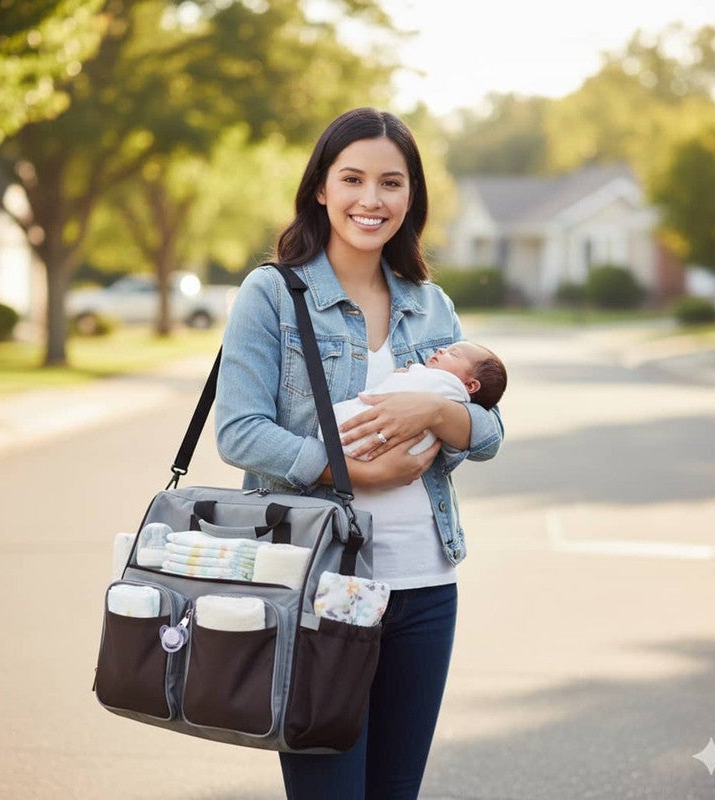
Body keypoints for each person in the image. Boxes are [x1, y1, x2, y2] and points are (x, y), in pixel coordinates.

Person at [215, 107, 504, 800]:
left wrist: (435, 412)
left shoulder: (431, 305)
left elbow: (488, 433)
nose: (371, 199)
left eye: (391, 183)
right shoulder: (273, 294)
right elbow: (240, 432)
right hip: (316, 587)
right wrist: (352, 471)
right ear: (321, 187)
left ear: (411, 196)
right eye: (352, 179)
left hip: (425, 586)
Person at [324, 340, 507, 459]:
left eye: (453, 354)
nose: (441, 349)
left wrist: (437, 409)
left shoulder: (446, 383)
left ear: (470, 386)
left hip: (343, 439)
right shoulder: (452, 391)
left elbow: (488, 439)